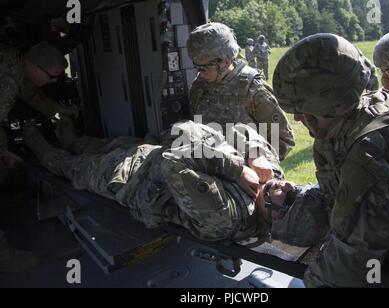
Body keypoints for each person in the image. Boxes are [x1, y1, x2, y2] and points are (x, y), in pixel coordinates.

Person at [272, 33, 389, 287]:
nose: (299, 119)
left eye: (301, 111)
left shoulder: (370, 157)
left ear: (325, 105)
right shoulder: (386, 103)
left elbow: (350, 267)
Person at [23, 117, 287, 242]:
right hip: (147, 154)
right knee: (86, 143)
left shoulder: (223, 215)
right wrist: (255, 154)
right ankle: (69, 137)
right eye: (298, 187)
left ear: (275, 217)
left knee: (68, 165)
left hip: (126, 176)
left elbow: (176, 158)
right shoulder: (273, 180)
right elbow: (241, 129)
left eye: (289, 196)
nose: (286, 184)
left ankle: (30, 141)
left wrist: (236, 169)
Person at [0, 41, 77, 272]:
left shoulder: (15, 61)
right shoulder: (5, 79)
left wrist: (58, 110)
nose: (54, 82)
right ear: (35, 69)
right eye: (52, 77)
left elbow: (31, 94)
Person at [187, 23, 295, 161]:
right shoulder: (199, 87)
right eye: (196, 66)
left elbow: (283, 140)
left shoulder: (252, 89)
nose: (199, 73)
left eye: (204, 68)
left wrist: (255, 161)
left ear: (224, 61)